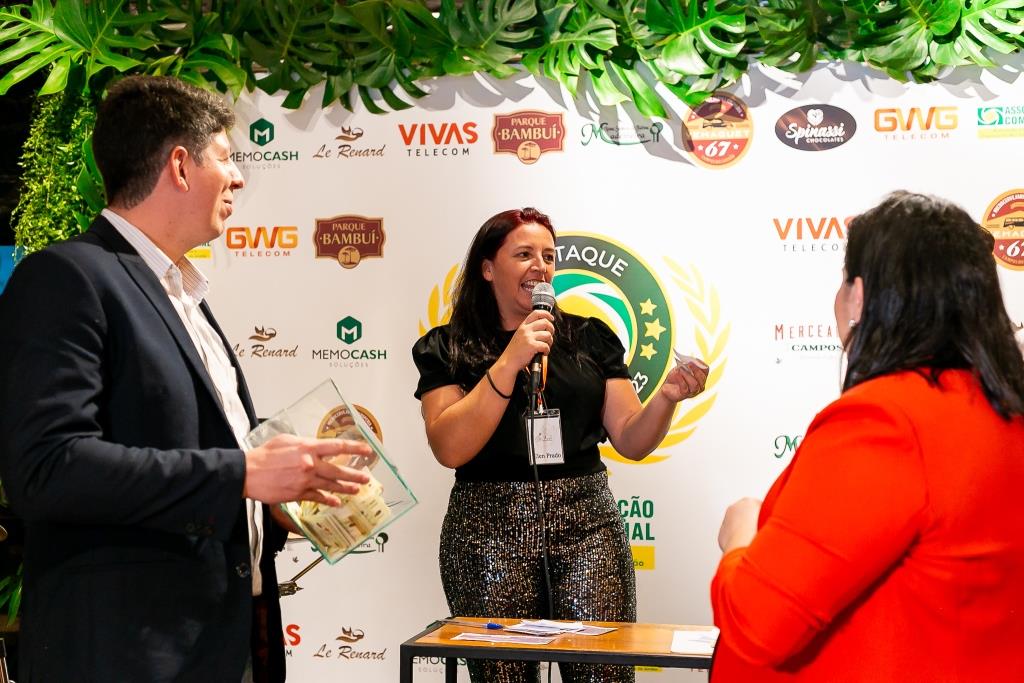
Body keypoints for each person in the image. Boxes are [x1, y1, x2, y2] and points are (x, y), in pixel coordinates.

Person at [0, 75, 373, 683]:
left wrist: (285, 485)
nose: (239, 178)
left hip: (221, 642)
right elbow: (47, 468)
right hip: (129, 654)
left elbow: (188, 449)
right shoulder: (67, 278)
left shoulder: (182, 294)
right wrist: (241, 472)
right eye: (226, 158)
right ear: (179, 165)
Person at [710, 191, 1024, 680]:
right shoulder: (999, 410)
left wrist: (740, 538)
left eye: (843, 280)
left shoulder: (885, 421)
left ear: (858, 296)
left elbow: (755, 622)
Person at [412, 207, 709, 683]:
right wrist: (511, 359)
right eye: (524, 254)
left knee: (602, 675)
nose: (540, 266)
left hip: (587, 526)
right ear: (487, 268)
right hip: (487, 531)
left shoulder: (590, 338)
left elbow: (631, 438)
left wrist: (667, 397)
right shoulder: (447, 347)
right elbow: (450, 447)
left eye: (549, 256)